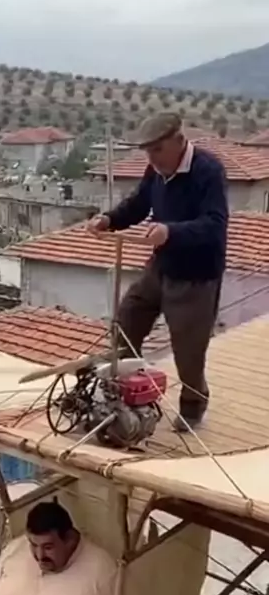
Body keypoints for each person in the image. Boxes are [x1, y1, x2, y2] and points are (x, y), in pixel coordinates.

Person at [88, 112, 228, 432]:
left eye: (157, 150)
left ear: (179, 141)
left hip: (196, 276)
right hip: (161, 265)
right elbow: (139, 204)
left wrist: (171, 231)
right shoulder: (156, 170)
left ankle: (192, 407)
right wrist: (109, 220)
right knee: (128, 318)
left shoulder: (208, 171)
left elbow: (214, 224)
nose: (152, 159)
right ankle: (124, 392)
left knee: (188, 350)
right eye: (148, 152)